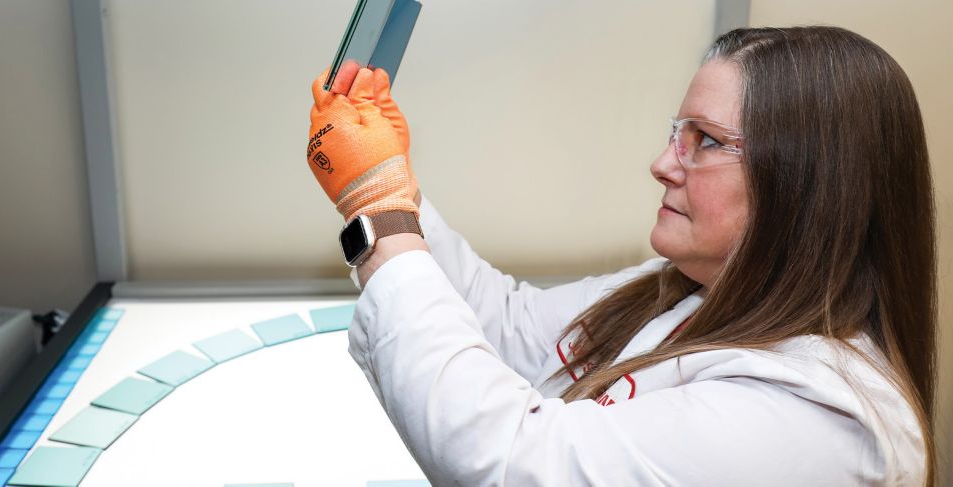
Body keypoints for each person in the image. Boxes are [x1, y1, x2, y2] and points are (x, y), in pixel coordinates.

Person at [305, 26, 935, 486]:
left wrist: (379, 209)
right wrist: (395, 188)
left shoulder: (815, 419)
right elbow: (509, 329)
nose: (663, 165)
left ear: (810, 184)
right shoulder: (693, 290)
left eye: (707, 142)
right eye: (675, 135)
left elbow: (515, 464)